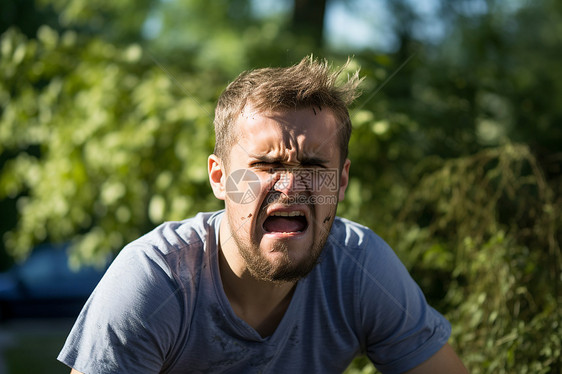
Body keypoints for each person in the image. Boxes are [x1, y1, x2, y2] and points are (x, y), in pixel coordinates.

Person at [58, 56, 468, 373]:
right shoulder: (154, 280)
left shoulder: (360, 268)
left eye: (312, 166)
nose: (290, 187)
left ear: (342, 181)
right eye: (266, 166)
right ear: (219, 178)